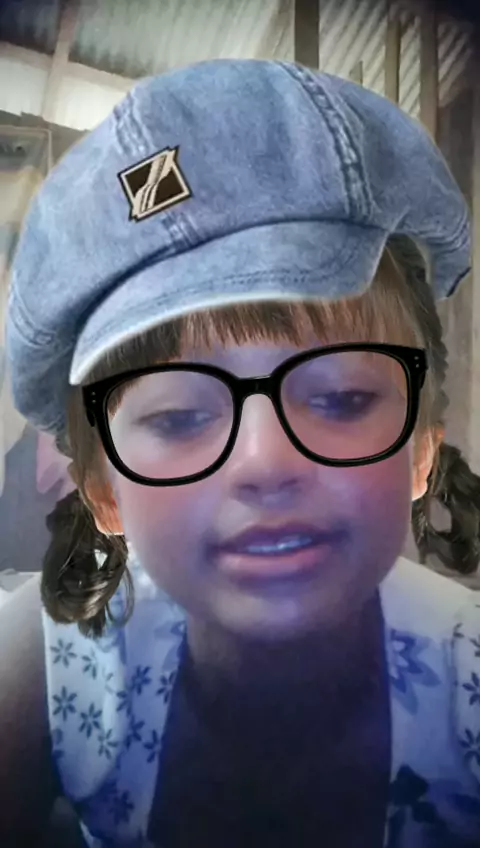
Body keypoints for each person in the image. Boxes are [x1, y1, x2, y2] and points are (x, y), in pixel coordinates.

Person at [2, 58, 480, 847]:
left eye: (340, 398)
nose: (264, 461)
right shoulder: (56, 661)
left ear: (423, 447)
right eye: (180, 415)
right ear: (104, 490)